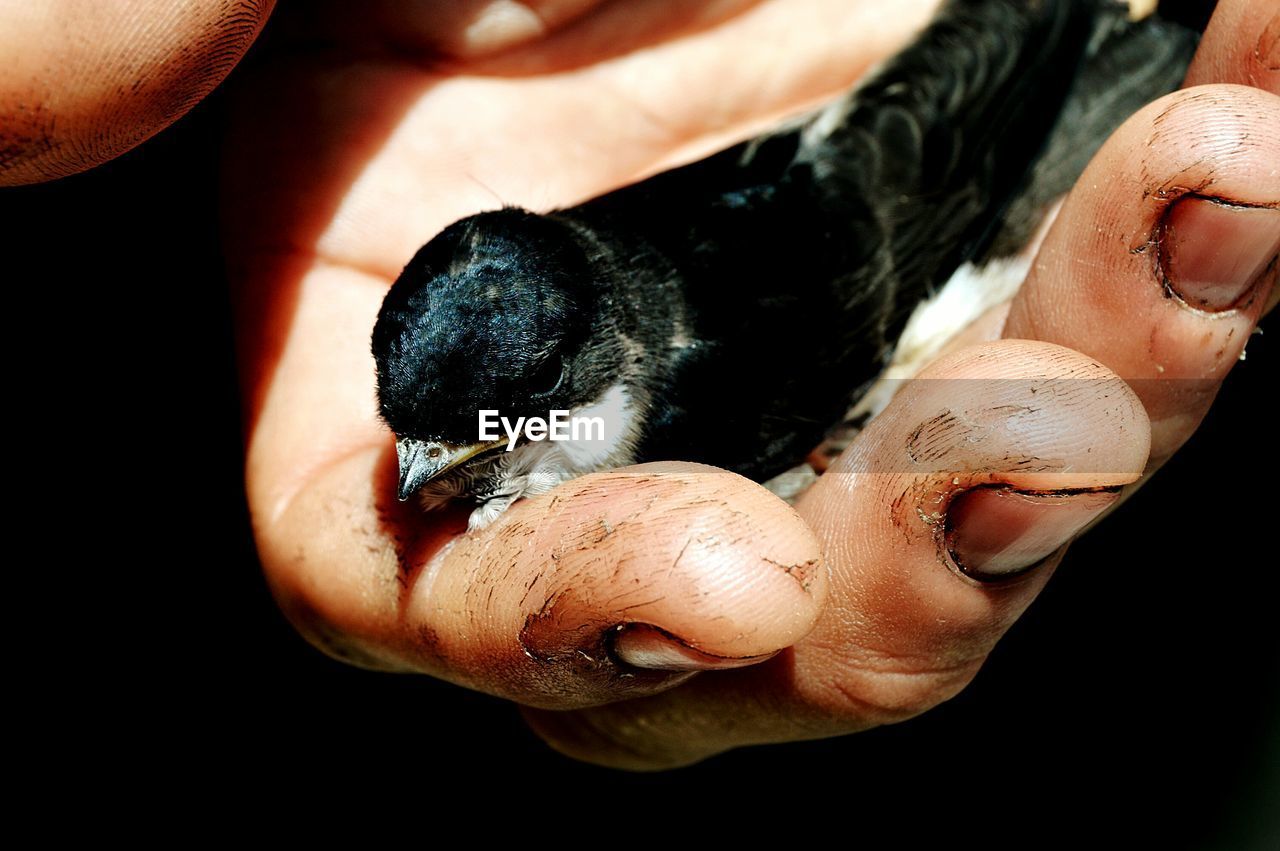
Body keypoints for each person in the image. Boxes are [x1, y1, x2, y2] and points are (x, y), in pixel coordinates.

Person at [5, 0, 1274, 771]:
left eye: (478, 430)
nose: (421, 471)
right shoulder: (536, 345)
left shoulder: (695, 393)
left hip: (938, 205)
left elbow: (888, 183)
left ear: (593, 367)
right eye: (418, 433)